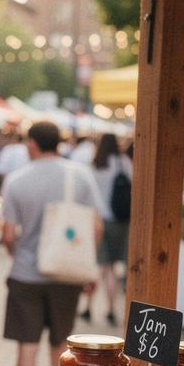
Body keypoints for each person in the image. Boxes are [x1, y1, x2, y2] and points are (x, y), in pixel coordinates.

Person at [0, 120, 103, 366]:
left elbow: (8, 234)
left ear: (32, 143)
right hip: (66, 276)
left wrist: (16, 254)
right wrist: (85, 265)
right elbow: (95, 228)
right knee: (60, 348)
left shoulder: (16, 180)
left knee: (26, 349)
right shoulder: (80, 176)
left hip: (25, 276)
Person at [79, 132, 132, 326]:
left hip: (98, 220)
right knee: (113, 269)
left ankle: (88, 306)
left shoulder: (95, 164)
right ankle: (111, 309)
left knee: (101, 266)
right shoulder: (123, 162)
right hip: (121, 220)